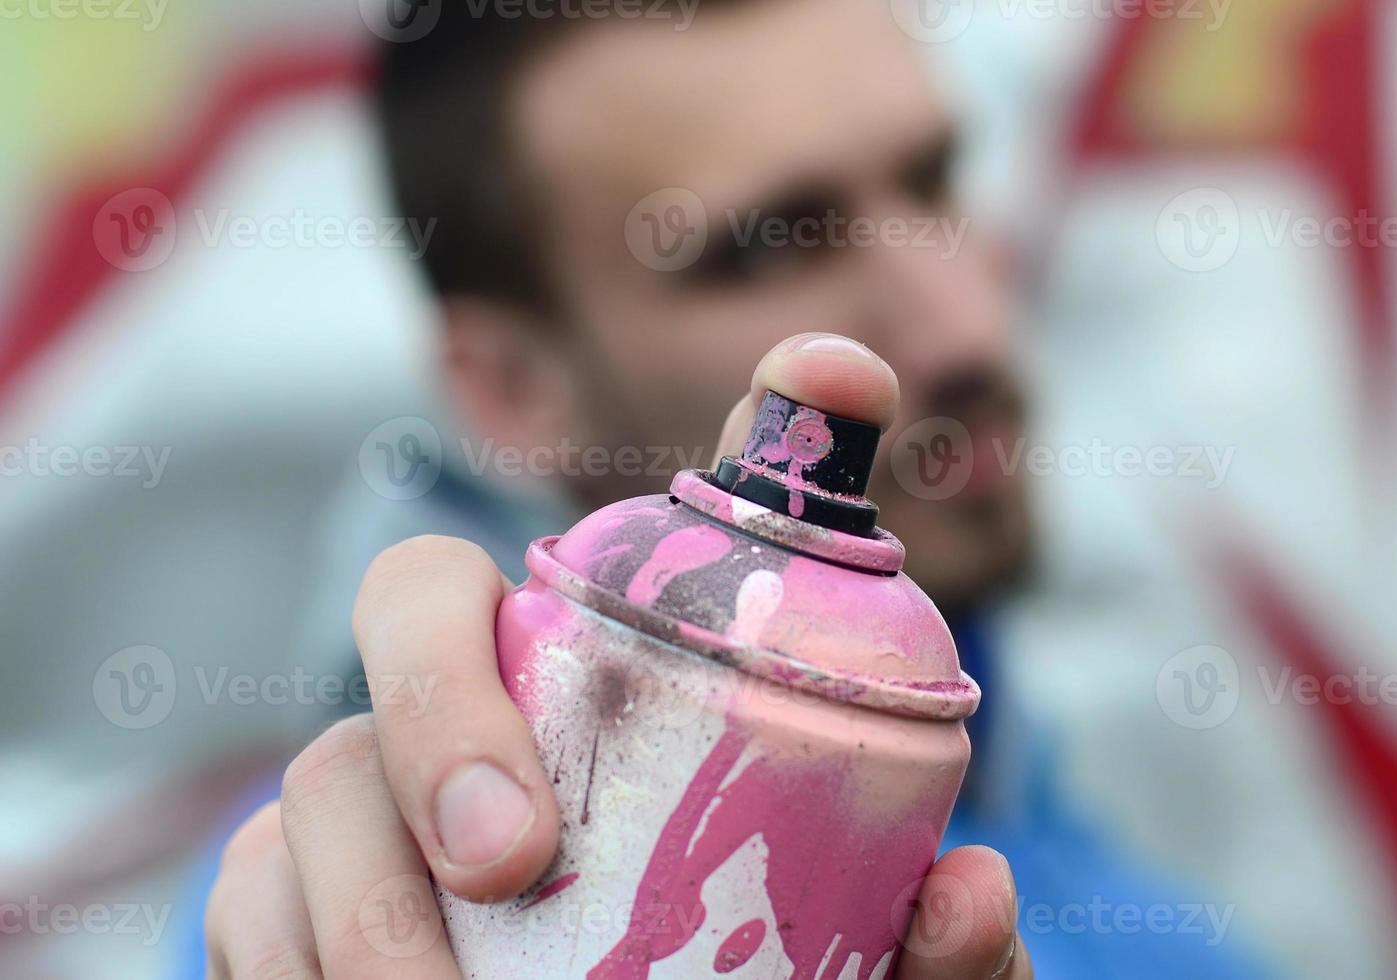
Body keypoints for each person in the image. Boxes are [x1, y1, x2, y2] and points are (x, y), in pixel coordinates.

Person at [199, 2, 1271, 977]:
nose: (964, 329)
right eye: (768, 249)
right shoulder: (347, 910)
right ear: (516, 387)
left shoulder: (1076, 843)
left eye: (932, 178)